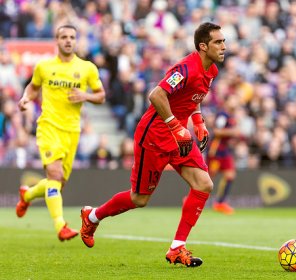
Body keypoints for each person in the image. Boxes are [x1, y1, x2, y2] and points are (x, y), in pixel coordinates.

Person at [79, 22, 226, 267]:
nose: (223, 46)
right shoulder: (186, 68)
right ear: (203, 46)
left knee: (203, 184)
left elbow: (192, 97)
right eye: (218, 42)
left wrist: (198, 121)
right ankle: (92, 216)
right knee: (139, 199)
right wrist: (176, 126)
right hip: (155, 136)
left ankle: (177, 248)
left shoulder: (211, 71)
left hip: (179, 137)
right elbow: (156, 94)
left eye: (223, 41)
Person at [15, 24, 106, 241]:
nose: (68, 40)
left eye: (72, 37)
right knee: (54, 175)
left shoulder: (87, 68)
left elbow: (101, 95)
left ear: (76, 41)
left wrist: (85, 96)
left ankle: (27, 195)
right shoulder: (44, 66)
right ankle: (61, 226)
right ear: (56, 40)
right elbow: (33, 87)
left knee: (57, 183)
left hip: (72, 131)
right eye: (63, 37)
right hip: (48, 126)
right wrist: (26, 97)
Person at [207, 94, 241, 215]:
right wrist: (233, 132)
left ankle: (220, 203)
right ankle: (192, 199)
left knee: (230, 175)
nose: (236, 101)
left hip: (225, 151)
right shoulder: (222, 115)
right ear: (226, 102)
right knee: (208, 179)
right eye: (233, 99)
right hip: (216, 151)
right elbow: (217, 131)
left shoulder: (231, 116)